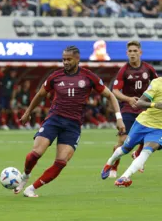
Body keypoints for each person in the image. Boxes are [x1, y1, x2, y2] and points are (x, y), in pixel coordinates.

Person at [14, 46, 125, 197]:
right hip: (54, 119)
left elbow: (111, 96)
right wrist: (27, 113)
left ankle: (31, 189)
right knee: (36, 153)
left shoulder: (88, 77)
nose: (65, 62)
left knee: (61, 162)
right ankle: (25, 176)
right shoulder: (55, 76)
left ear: (77, 59)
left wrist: (119, 119)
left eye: (68, 59)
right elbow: (40, 95)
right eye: (63, 59)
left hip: (73, 125)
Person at [107, 41, 158, 178]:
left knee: (147, 137)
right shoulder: (124, 70)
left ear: (140, 52)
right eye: (130, 51)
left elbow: (158, 85)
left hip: (145, 110)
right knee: (122, 141)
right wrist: (128, 99)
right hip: (128, 109)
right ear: (127, 53)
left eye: (135, 51)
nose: (132, 53)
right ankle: (114, 166)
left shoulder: (148, 69)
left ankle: (137, 153)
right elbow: (115, 91)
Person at [101, 77, 162, 187]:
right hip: (143, 123)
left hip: (159, 129)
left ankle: (124, 177)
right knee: (125, 149)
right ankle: (109, 163)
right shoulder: (157, 83)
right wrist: (155, 105)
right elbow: (140, 103)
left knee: (147, 151)